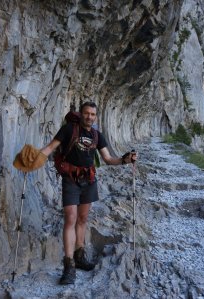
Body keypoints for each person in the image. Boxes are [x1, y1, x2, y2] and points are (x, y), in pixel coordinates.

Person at [40, 101, 137, 285]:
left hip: (89, 181)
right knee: (70, 218)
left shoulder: (96, 135)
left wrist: (125, 160)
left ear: (95, 116)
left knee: (82, 219)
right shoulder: (69, 129)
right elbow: (50, 148)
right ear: (81, 113)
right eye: (86, 113)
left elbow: (108, 159)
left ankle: (80, 256)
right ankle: (68, 266)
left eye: (93, 114)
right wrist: (35, 157)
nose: (89, 117)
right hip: (71, 179)